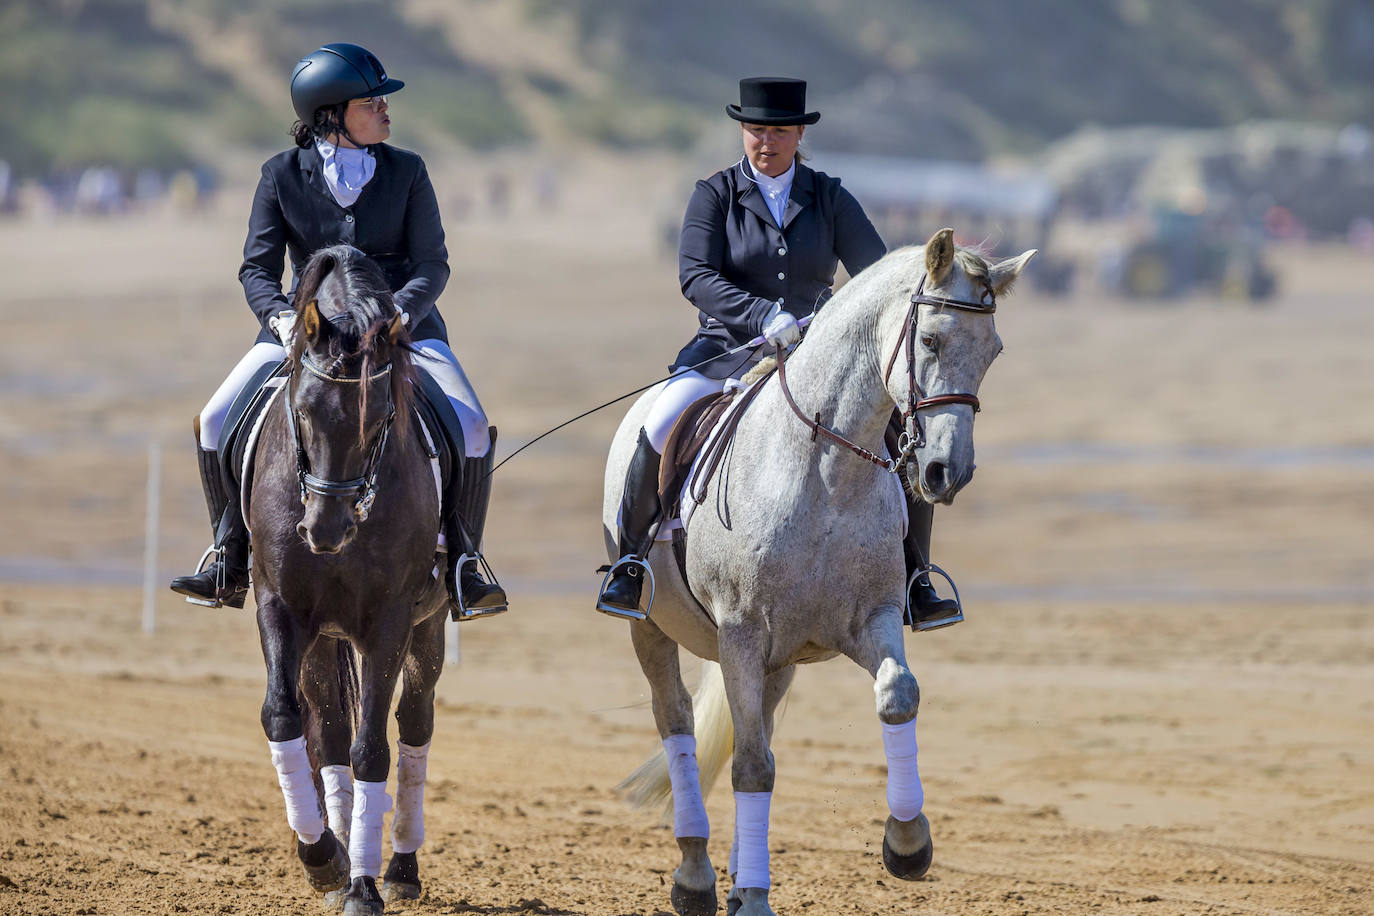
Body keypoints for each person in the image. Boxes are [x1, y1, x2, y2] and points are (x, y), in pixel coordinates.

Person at [596, 77, 960, 629]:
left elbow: (877, 276)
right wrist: (761, 315)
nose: (766, 141)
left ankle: (915, 576)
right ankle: (631, 562)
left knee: (901, 435)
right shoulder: (714, 194)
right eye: (755, 129)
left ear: (798, 135)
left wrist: (848, 318)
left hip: (819, 358)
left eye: (779, 131)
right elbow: (695, 275)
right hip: (727, 349)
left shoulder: (829, 197)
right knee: (660, 421)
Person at [170, 42, 506, 616]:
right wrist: (279, 317)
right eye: (370, 101)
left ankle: (462, 561)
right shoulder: (279, 175)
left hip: (404, 328)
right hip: (308, 330)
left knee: (472, 425)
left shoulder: (408, 170)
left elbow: (433, 264)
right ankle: (228, 552)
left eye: (381, 101)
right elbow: (256, 266)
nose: (384, 109)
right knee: (215, 419)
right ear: (331, 114)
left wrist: (399, 312)